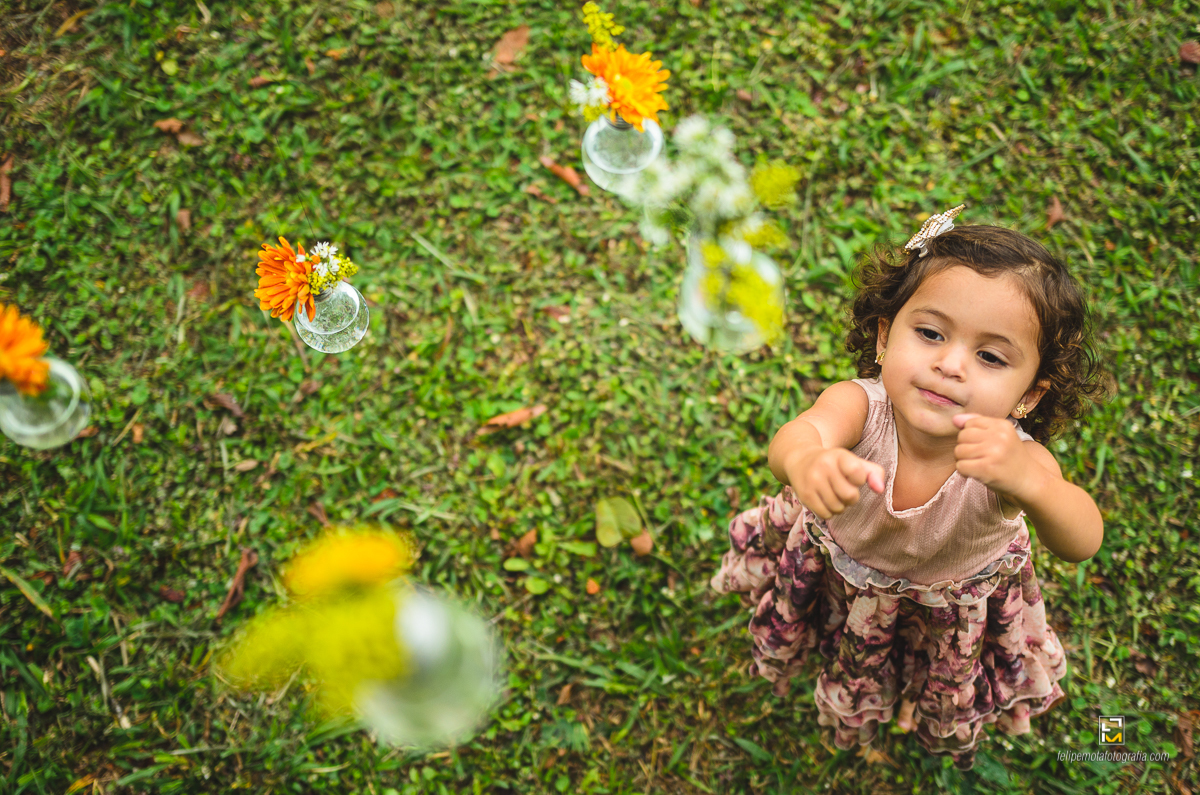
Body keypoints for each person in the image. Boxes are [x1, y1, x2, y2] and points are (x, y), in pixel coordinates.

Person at [711, 206, 1107, 769]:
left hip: (946, 613)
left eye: (990, 357)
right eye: (929, 333)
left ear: (1029, 396)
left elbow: (1082, 538)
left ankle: (912, 701)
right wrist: (806, 461)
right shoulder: (860, 407)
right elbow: (799, 436)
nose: (949, 364)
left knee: (926, 667)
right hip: (841, 582)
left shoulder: (1015, 462)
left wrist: (1032, 486)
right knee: (842, 640)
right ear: (883, 336)